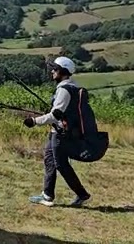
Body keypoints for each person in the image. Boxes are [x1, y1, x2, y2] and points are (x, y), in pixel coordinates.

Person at [23, 56, 92, 207]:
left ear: (62, 71)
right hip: (58, 132)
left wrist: (34, 121)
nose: (52, 72)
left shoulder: (64, 90)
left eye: (55, 69)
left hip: (61, 134)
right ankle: (47, 194)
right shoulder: (72, 86)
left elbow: (56, 115)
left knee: (61, 164)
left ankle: (82, 194)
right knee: (49, 160)